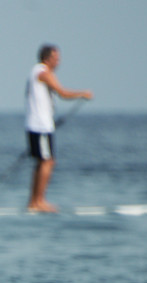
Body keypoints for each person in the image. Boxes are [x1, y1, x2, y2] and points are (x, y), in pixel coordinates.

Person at [25, 44, 92, 213]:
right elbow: (62, 93)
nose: (58, 61)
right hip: (41, 127)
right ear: (47, 58)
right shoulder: (43, 72)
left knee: (41, 162)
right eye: (56, 58)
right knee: (48, 162)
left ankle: (34, 201)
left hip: (37, 125)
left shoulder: (35, 72)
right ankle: (38, 201)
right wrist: (82, 94)